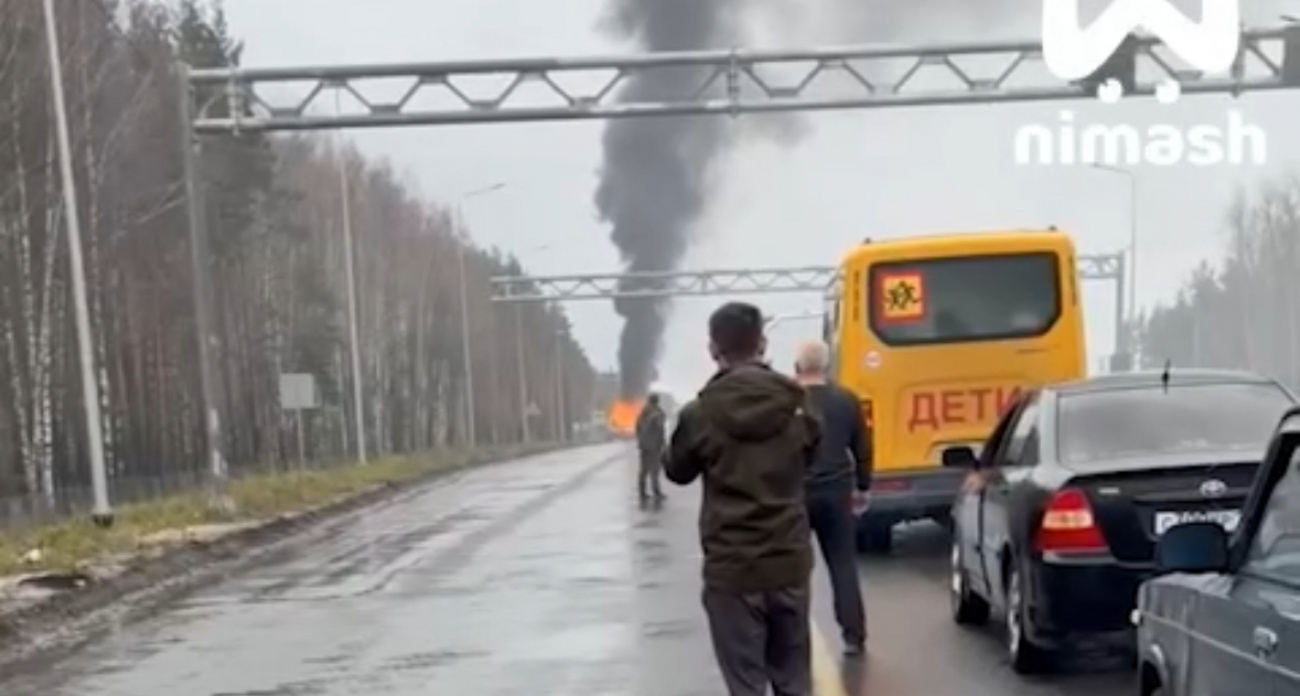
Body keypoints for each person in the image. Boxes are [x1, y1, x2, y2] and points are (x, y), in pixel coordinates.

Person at [663, 302, 821, 696]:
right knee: (794, 680)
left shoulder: (700, 413)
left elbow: (676, 471)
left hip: (731, 569)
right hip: (788, 562)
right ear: (763, 344)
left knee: (746, 686)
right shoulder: (798, 404)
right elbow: (812, 457)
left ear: (713, 349)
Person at [793, 339, 870, 657]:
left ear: (797, 367)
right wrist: (863, 487)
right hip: (837, 490)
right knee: (842, 564)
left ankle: (796, 638)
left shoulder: (788, 403)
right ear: (826, 366)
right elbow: (862, 448)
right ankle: (854, 634)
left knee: (796, 570)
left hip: (796, 492)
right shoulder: (846, 400)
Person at [635, 392, 667, 504]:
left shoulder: (643, 413)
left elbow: (637, 428)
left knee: (644, 470)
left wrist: (641, 440)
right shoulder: (657, 413)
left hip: (644, 445)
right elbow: (659, 429)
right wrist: (662, 443)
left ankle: (642, 492)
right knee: (655, 470)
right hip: (654, 445)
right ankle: (656, 492)